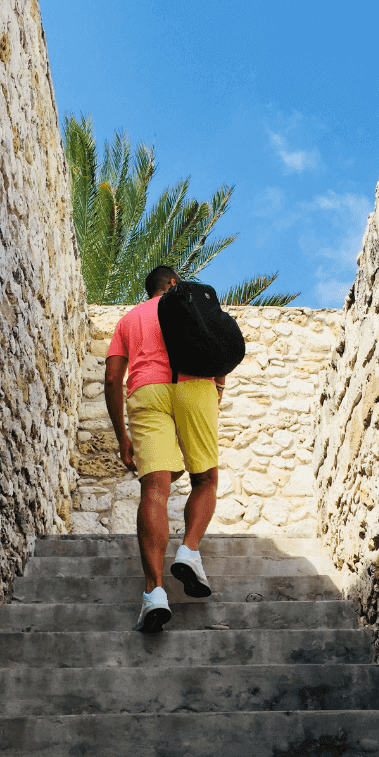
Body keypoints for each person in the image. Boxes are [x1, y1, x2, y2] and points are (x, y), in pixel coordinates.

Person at [103, 265, 223, 632]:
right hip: (195, 387)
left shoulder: (128, 319)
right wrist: (215, 390)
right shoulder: (191, 303)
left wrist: (122, 436)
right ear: (173, 284)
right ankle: (188, 550)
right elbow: (222, 347)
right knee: (205, 479)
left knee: (155, 489)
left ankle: (154, 592)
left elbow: (111, 378)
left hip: (147, 390)